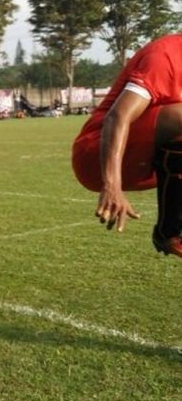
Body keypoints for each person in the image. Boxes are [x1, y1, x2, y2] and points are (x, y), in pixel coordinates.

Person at [72, 34, 182, 256]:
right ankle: (170, 231)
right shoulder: (164, 56)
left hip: (151, 162)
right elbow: (117, 116)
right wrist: (111, 184)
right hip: (97, 154)